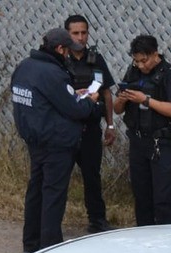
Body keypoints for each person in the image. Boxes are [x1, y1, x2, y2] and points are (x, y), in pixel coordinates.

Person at [11, 28, 100, 253]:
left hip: (35, 140)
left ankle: (31, 244)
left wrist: (71, 93)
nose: (71, 55)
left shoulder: (25, 67)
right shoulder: (53, 73)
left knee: (36, 191)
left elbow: (46, 98)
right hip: (56, 143)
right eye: (69, 50)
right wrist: (90, 100)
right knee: (53, 194)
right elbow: (76, 109)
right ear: (60, 49)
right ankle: (49, 247)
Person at [114, 35, 171, 226]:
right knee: (141, 196)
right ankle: (143, 238)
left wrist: (145, 100)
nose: (141, 65)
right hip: (138, 141)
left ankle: (165, 240)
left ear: (155, 54)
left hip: (163, 142)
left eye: (144, 61)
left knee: (162, 197)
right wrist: (123, 98)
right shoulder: (133, 72)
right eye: (136, 61)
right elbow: (117, 110)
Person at [63, 14, 117, 233]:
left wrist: (111, 126)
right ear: (67, 34)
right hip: (66, 129)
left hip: (91, 129)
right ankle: (50, 221)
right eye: (75, 33)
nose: (80, 37)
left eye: (84, 32)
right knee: (59, 177)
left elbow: (106, 94)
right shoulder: (60, 59)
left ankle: (97, 220)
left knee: (92, 177)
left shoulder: (96, 59)